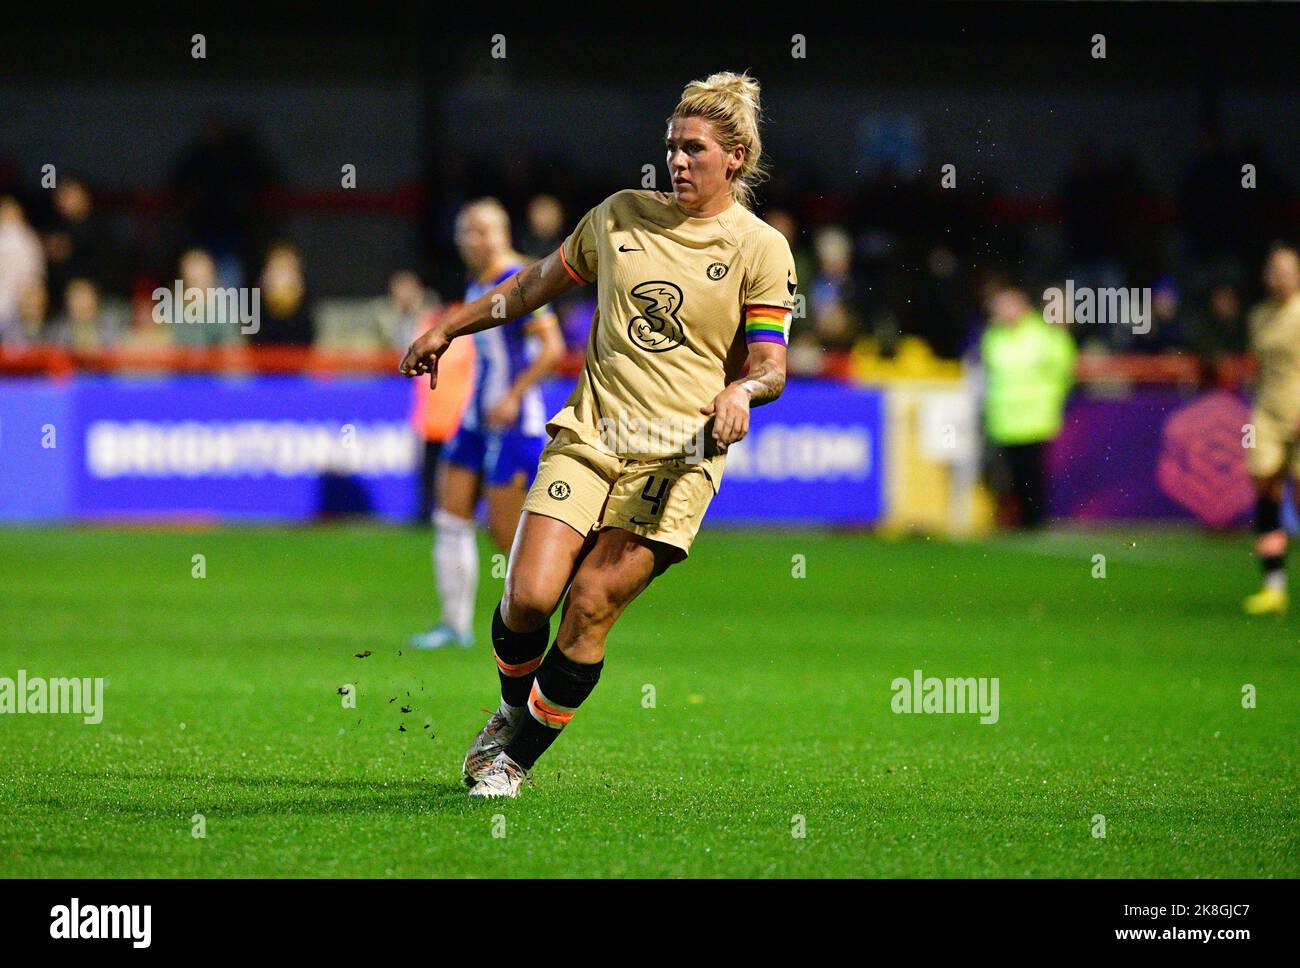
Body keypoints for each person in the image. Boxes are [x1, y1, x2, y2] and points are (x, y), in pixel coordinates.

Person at [400, 71, 796, 798]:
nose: (676, 161)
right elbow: (527, 287)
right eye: (671, 147)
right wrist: (447, 328)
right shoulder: (617, 216)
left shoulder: (760, 248)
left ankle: (513, 762)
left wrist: (742, 390)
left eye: (694, 149)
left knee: (588, 606)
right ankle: (512, 711)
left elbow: (770, 363)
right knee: (526, 597)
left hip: (678, 458)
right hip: (590, 437)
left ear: (735, 157)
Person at [409, 199, 564, 650]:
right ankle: (454, 625)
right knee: (450, 515)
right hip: (477, 418)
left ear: (502, 233)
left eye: (483, 231)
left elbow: (552, 349)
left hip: (514, 422)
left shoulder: (520, 281)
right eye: (467, 231)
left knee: (505, 533)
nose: (474, 240)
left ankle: (543, 615)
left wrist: (515, 396)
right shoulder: (480, 283)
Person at [979, 283, 1076, 529]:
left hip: (1034, 417)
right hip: (1004, 420)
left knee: (1032, 473)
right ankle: (1013, 519)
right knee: (1007, 476)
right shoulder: (993, 336)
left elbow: (1063, 366)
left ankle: (1035, 521)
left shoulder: (1042, 334)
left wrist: (1052, 399)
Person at [1241, 243, 1300, 615]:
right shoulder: (1259, 316)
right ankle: (1273, 586)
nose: (1277, 276)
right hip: (1268, 410)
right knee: (1265, 488)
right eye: (1272, 269)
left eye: (1285, 269)